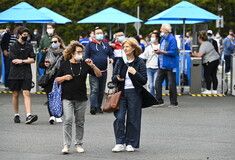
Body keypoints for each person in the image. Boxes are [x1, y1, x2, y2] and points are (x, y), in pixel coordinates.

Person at [56, 41, 102, 154]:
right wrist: (64, 78)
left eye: (82, 52)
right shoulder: (65, 64)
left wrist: (93, 65)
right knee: (67, 120)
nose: (80, 54)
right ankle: (66, 145)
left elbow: (99, 74)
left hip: (81, 97)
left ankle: (79, 144)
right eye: (78, 52)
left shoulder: (85, 64)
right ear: (72, 53)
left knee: (80, 122)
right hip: (67, 97)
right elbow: (57, 79)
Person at [111, 37, 147, 152]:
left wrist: (135, 73)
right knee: (119, 117)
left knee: (133, 118)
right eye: (124, 47)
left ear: (133, 48)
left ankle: (130, 143)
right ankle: (119, 142)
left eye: (127, 46)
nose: (125, 49)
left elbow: (144, 80)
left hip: (134, 93)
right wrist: (116, 78)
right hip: (121, 92)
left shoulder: (139, 62)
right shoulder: (120, 61)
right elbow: (113, 77)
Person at [8, 27, 38, 124]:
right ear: (19, 35)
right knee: (16, 94)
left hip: (26, 73)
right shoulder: (12, 46)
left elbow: (33, 59)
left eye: (27, 35)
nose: (26, 37)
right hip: (15, 73)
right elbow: (13, 60)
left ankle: (28, 115)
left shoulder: (29, 46)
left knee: (26, 93)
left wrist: (22, 61)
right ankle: (16, 114)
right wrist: (26, 60)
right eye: (24, 35)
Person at [84, 27, 114, 115]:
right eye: (97, 33)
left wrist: (112, 59)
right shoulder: (90, 44)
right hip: (93, 70)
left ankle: (98, 107)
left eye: (101, 33)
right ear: (94, 35)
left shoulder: (106, 44)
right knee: (95, 89)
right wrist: (88, 61)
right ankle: (93, 106)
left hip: (104, 70)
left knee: (101, 90)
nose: (99, 35)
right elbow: (86, 56)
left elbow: (111, 54)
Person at [39, 35, 65, 124]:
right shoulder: (47, 52)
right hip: (49, 77)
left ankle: (59, 115)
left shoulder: (65, 53)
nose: (53, 44)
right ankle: (52, 116)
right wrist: (45, 65)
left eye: (55, 42)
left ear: (60, 43)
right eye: (52, 42)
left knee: (60, 97)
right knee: (50, 97)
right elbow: (40, 64)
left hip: (60, 77)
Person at [154, 24, 179, 108]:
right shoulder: (163, 39)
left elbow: (173, 52)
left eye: (161, 29)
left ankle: (174, 102)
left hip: (170, 65)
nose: (160, 31)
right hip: (162, 65)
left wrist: (161, 52)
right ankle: (159, 100)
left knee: (172, 84)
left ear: (166, 30)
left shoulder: (172, 39)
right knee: (157, 82)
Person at [191, 31, 220, 95]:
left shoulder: (204, 45)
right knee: (213, 75)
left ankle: (208, 89)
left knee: (207, 75)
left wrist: (192, 54)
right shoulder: (209, 43)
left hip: (210, 61)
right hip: (216, 59)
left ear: (200, 39)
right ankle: (214, 90)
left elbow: (200, 54)